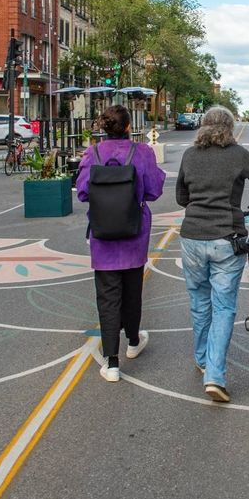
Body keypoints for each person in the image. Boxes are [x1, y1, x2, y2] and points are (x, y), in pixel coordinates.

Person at [176, 107, 249, 403]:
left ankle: (202, 357)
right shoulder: (238, 155)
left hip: (192, 237)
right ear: (230, 128)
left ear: (203, 126)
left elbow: (181, 197)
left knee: (199, 300)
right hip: (226, 238)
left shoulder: (190, 155)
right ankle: (214, 375)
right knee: (224, 306)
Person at [76, 104, 166, 383]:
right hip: (134, 232)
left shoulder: (93, 153)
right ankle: (134, 341)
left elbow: (81, 192)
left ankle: (111, 362)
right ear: (129, 126)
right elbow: (154, 190)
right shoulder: (142, 152)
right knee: (132, 289)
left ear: (104, 127)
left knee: (107, 296)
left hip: (103, 234)